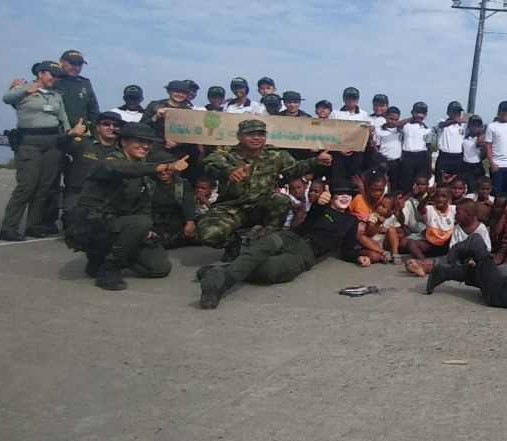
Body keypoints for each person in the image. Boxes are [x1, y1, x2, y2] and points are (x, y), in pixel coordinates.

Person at [197, 179, 371, 309]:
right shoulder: (320, 209)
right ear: (331, 196)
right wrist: (319, 203)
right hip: (289, 236)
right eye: (340, 194)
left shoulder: (351, 222)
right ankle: (217, 288)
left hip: (305, 253)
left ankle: (220, 271)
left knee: (271, 270)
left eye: (349, 195)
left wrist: (359, 257)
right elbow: (312, 215)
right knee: (259, 249)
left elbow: (348, 250)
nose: (345, 197)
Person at [64, 123, 187, 290]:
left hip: (123, 227)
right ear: (124, 142)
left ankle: (102, 258)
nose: (145, 146)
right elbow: (118, 169)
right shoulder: (111, 161)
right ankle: (109, 269)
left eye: (149, 142)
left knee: (159, 268)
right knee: (140, 222)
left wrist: (148, 229)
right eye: (139, 141)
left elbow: (144, 204)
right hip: (95, 225)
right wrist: (163, 167)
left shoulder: (142, 169)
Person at [195, 119, 333, 260]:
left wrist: (316, 161)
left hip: (261, 206)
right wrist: (229, 171)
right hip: (231, 208)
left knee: (280, 200)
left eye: (260, 134)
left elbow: (294, 169)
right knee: (207, 234)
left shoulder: (276, 155)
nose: (256, 138)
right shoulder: (227, 155)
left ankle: (266, 243)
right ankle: (232, 243)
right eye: (250, 134)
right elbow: (210, 164)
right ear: (238, 136)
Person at [1, 61, 76, 241]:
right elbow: (7, 98)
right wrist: (25, 90)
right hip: (29, 142)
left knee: (44, 186)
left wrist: (70, 136)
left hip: (52, 143)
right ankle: (8, 227)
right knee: (27, 185)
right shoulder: (24, 89)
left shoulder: (56, 95)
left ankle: (33, 225)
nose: (55, 79)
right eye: (53, 75)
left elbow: (63, 119)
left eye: (58, 76)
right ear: (41, 73)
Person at [59, 110, 124, 212]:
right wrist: (69, 134)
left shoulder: (124, 151)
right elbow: (59, 146)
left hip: (108, 198)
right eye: (106, 124)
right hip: (79, 195)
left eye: (116, 125)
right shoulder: (83, 143)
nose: (111, 127)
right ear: (98, 127)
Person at [55, 50, 100, 127]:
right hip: (57, 131)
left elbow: (93, 112)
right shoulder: (53, 81)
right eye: (73, 64)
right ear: (62, 62)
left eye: (80, 65)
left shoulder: (85, 83)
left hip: (80, 131)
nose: (77, 68)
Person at [399, 102, 431, 188]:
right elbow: (397, 125)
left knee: (420, 182)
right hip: (408, 157)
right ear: (412, 112)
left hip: (422, 156)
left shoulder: (427, 129)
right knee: (406, 181)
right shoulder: (406, 125)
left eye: (423, 113)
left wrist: (429, 165)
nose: (420, 115)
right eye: (418, 112)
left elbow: (428, 147)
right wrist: (412, 118)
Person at [434, 101, 466, 184]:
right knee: (440, 183)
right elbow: (441, 125)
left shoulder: (464, 125)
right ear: (448, 112)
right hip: (444, 157)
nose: (456, 114)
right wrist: (454, 121)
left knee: (456, 184)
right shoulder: (442, 122)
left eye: (458, 111)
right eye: (454, 111)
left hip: (458, 158)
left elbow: (477, 130)